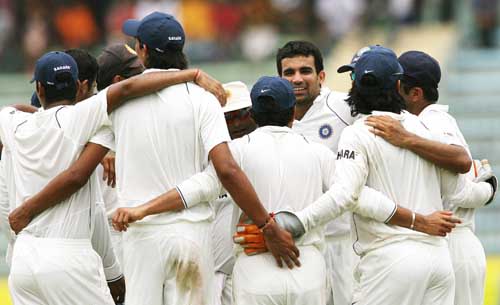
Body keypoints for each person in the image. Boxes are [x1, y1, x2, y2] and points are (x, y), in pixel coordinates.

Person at [112, 75, 464, 305]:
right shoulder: (318, 152)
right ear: (292, 114)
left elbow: (197, 188)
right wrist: (421, 220)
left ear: (252, 113)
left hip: (254, 266)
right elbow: (352, 196)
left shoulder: (235, 151)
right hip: (307, 266)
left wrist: (143, 210)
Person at [5, 50, 227, 305]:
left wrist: (37, 116)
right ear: (80, 86)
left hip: (22, 259)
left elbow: (12, 109)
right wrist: (192, 74)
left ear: (40, 89)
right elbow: (126, 90)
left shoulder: (13, 123)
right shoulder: (86, 117)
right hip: (68, 255)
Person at [115, 12, 299, 305]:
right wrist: (267, 225)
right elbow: (226, 169)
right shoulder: (202, 99)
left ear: (143, 50)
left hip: (141, 235)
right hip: (191, 233)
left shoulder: (120, 101)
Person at [293, 46, 496, 305]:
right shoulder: (422, 127)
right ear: (398, 85)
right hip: (438, 259)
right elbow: (458, 190)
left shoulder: (357, 133)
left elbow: (347, 194)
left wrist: (299, 222)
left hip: (390, 260)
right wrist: (488, 188)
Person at [365, 50, 496, 305]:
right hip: (438, 245)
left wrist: (488, 189)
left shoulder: (433, 122)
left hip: (454, 242)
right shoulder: (419, 122)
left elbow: (458, 185)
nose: (392, 90)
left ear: (415, 94)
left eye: (398, 85)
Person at [275, 40, 355, 305]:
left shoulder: (345, 108)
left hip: (345, 242)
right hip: (299, 247)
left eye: (305, 71)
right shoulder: (271, 116)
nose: (297, 79)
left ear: (321, 76)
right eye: (289, 73)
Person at [212, 81, 256, 305]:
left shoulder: (264, 150)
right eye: (229, 117)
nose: (238, 123)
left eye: (243, 114)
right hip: (211, 275)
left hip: (255, 271)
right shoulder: (205, 156)